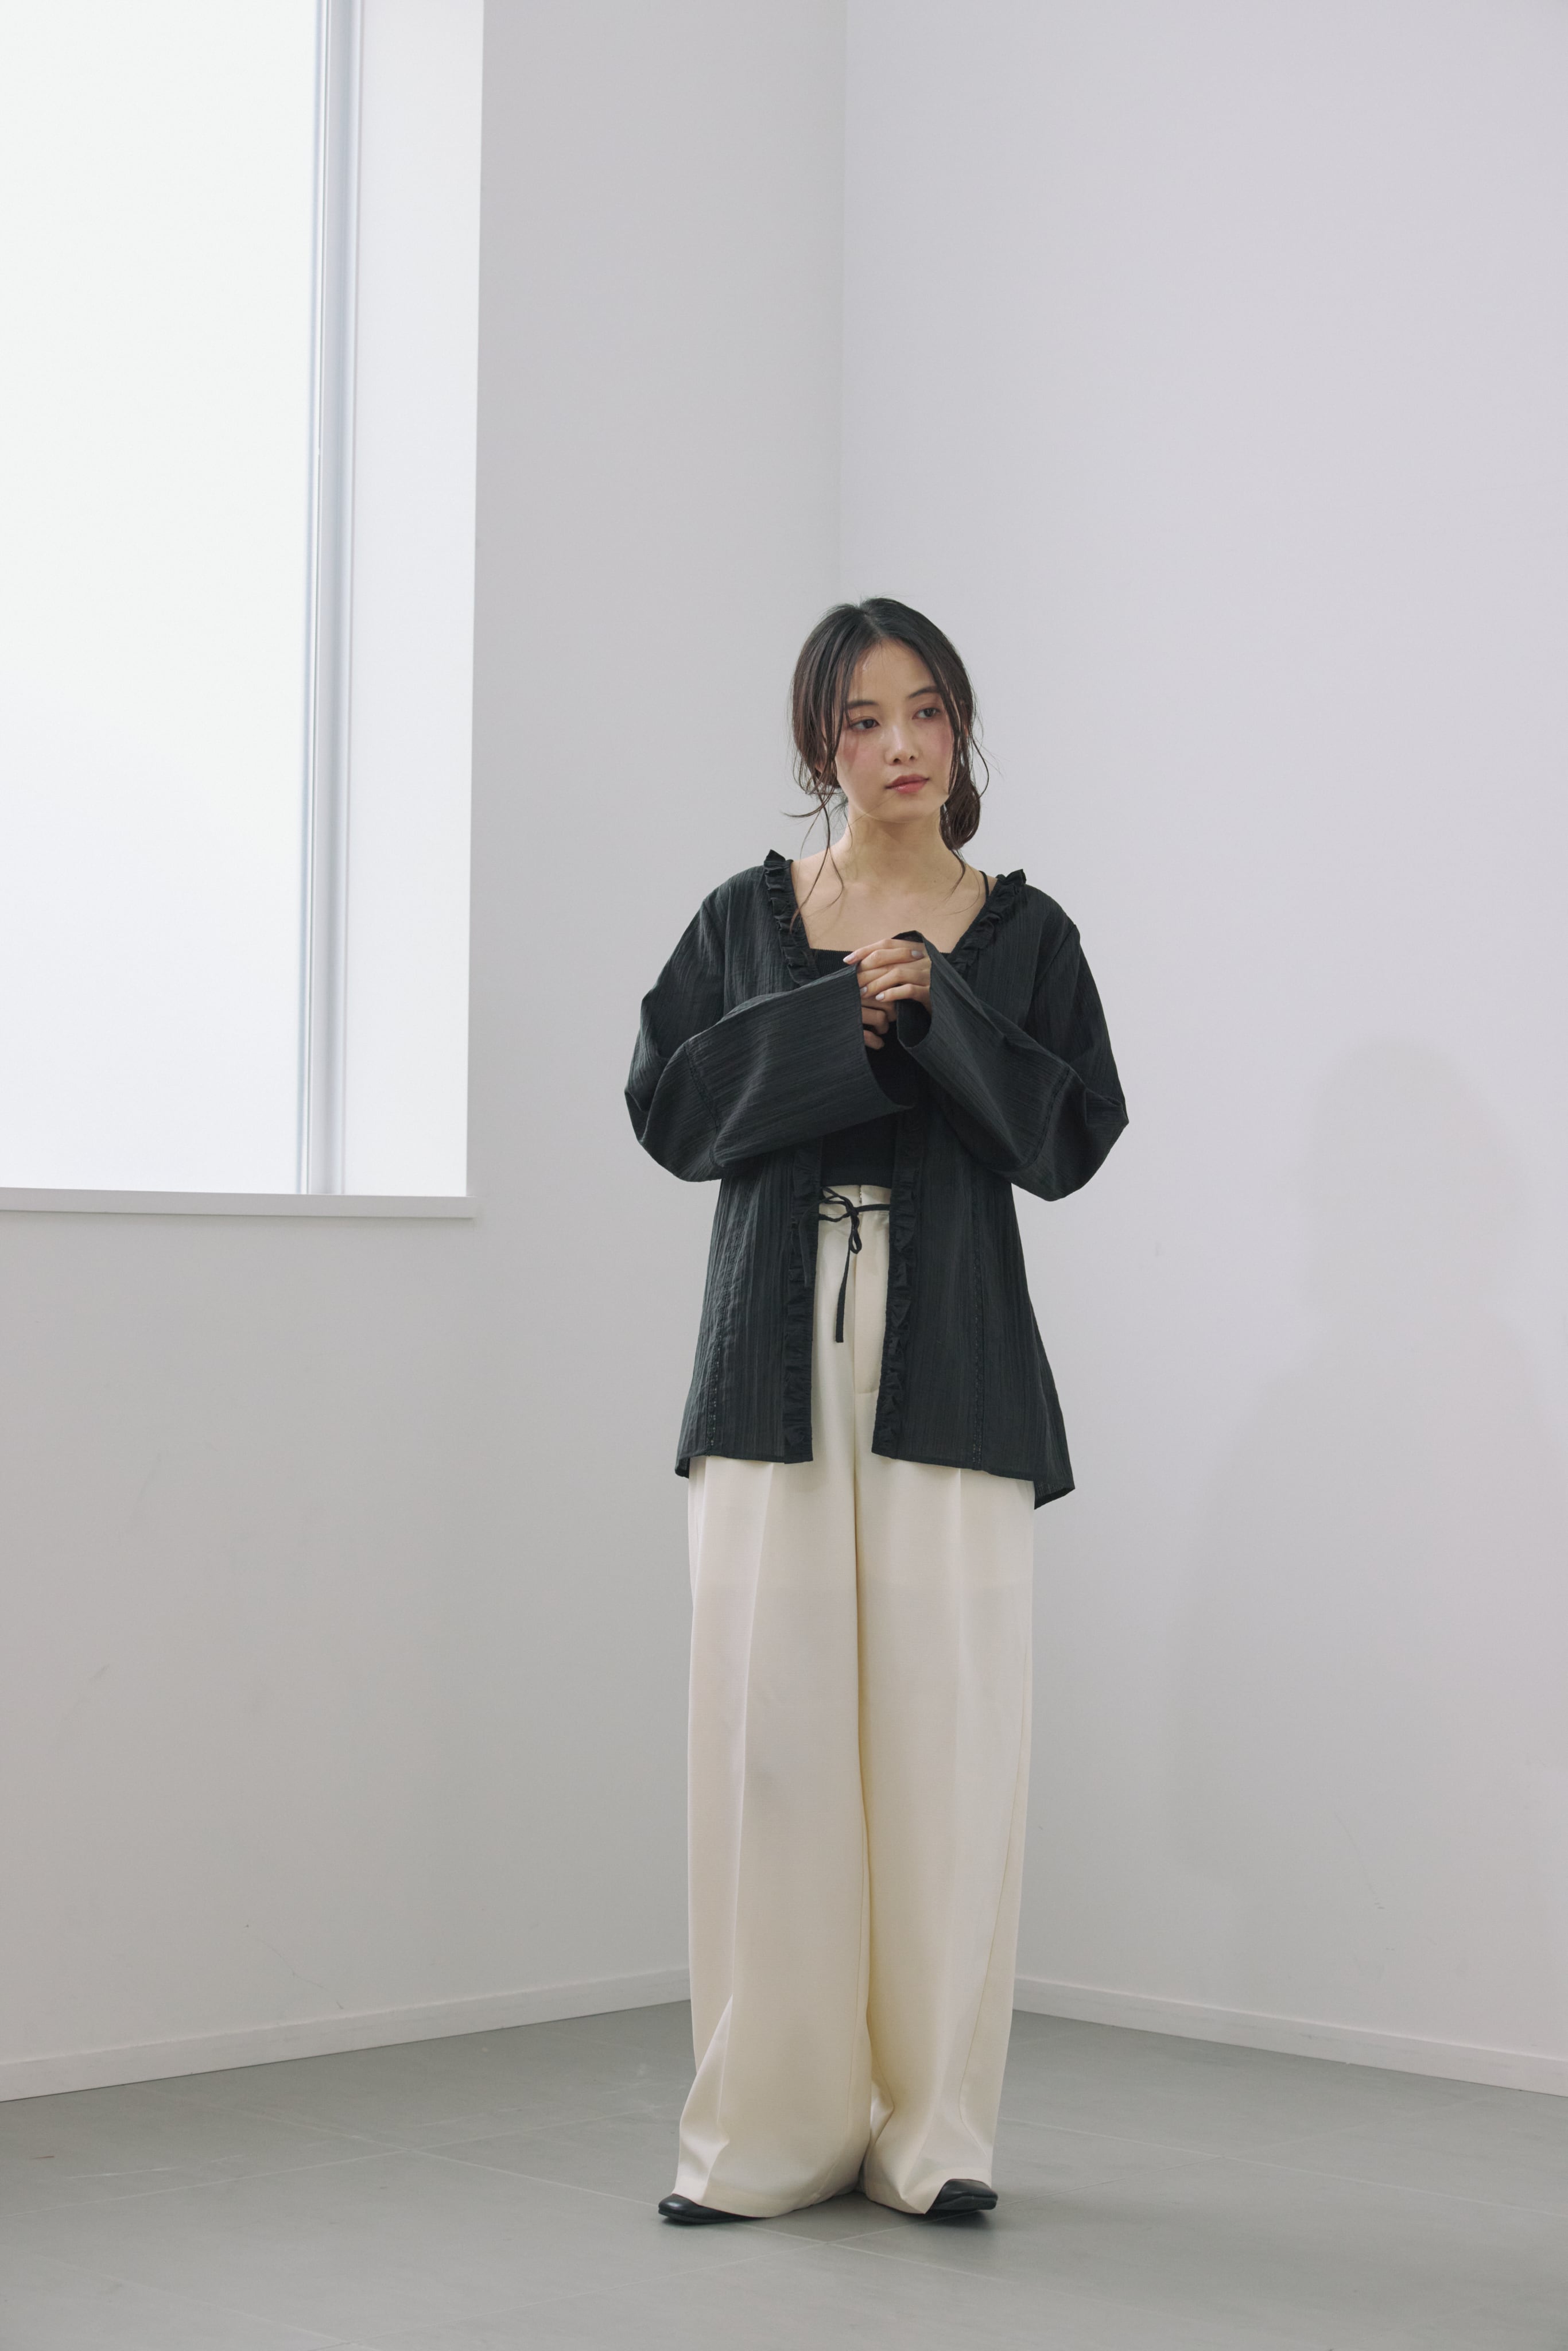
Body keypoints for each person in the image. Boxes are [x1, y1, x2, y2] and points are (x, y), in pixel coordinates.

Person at [626, 598, 1126, 2223]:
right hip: (768, 1362)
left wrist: (941, 1015)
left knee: (947, 1743)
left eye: (925, 712)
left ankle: (932, 2140)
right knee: (770, 1744)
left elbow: (1068, 1140)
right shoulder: (745, 917)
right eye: (861, 720)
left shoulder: (1026, 933)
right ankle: (762, 2139)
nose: (899, 745)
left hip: (953, 1364)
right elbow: (668, 1108)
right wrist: (825, 1023)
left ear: (959, 729)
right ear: (818, 745)